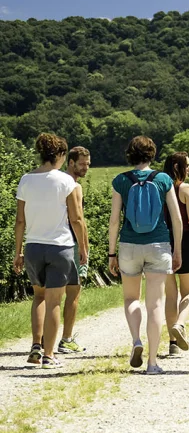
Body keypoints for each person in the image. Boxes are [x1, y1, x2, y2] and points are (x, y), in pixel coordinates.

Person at [13, 133, 89, 369]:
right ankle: (49, 355)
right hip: (60, 247)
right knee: (54, 301)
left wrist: (18, 252)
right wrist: (83, 247)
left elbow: (20, 221)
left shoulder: (26, 180)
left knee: (39, 297)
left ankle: (36, 346)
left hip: (33, 247)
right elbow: (76, 219)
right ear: (61, 155)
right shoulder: (66, 181)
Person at [108, 136, 183, 375]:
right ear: (152, 154)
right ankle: (152, 363)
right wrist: (177, 250)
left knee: (131, 299)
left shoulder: (121, 180)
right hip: (159, 245)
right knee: (156, 304)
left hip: (129, 245)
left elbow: (114, 221)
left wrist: (111, 253)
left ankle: (136, 340)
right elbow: (176, 219)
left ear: (130, 154)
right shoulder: (163, 179)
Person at [163, 152, 189, 356]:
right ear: (178, 167)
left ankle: (173, 344)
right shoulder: (186, 189)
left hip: (162, 242)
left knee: (170, 295)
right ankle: (180, 324)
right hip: (184, 241)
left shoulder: (159, 187)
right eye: (188, 165)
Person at [57, 146, 91, 354]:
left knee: (51, 294)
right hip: (72, 243)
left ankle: (43, 339)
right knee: (73, 292)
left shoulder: (56, 183)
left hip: (53, 242)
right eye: (82, 164)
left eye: (88, 164)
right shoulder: (73, 186)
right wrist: (84, 247)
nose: (86, 168)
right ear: (70, 162)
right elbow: (78, 219)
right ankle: (66, 339)